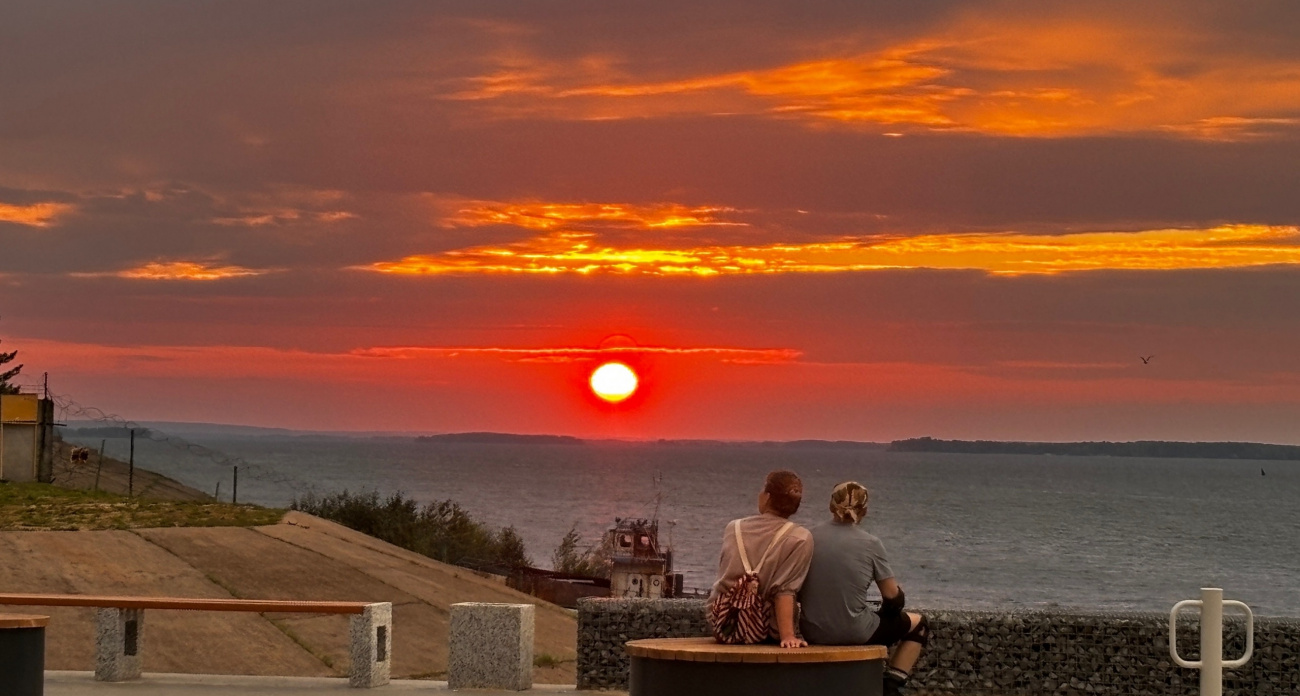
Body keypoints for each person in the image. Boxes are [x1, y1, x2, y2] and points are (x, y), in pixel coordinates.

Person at [798, 482, 929, 696]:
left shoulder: (807, 537)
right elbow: (892, 597)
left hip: (812, 631)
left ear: (831, 506)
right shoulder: (871, 543)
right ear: (865, 511)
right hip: (856, 631)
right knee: (919, 624)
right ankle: (890, 686)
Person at [708, 469, 814, 648]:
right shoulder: (801, 537)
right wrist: (788, 636)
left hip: (723, 622)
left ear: (767, 496)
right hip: (766, 629)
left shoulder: (734, 528)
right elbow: (784, 590)